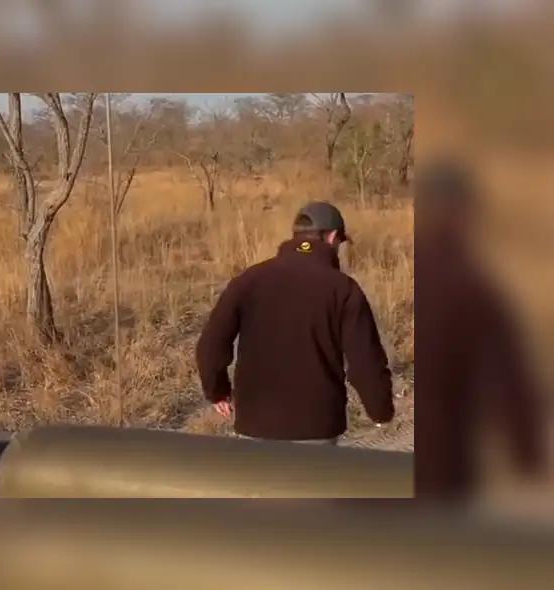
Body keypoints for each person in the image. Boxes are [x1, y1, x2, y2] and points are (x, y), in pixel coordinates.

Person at [195, 201, 395, 445]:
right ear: (332, 237)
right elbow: (366, 361)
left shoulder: (249, 280)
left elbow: (211, 345)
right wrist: (380, 411)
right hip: (317, 426)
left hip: (255, 423)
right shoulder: (343, 289)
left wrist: (217, 391)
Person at [416, 158, 547, 501]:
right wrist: (527, 453)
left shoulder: (415, 275)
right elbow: (506, 378)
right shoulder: (471, 285)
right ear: (465, 213)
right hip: (445, 465)